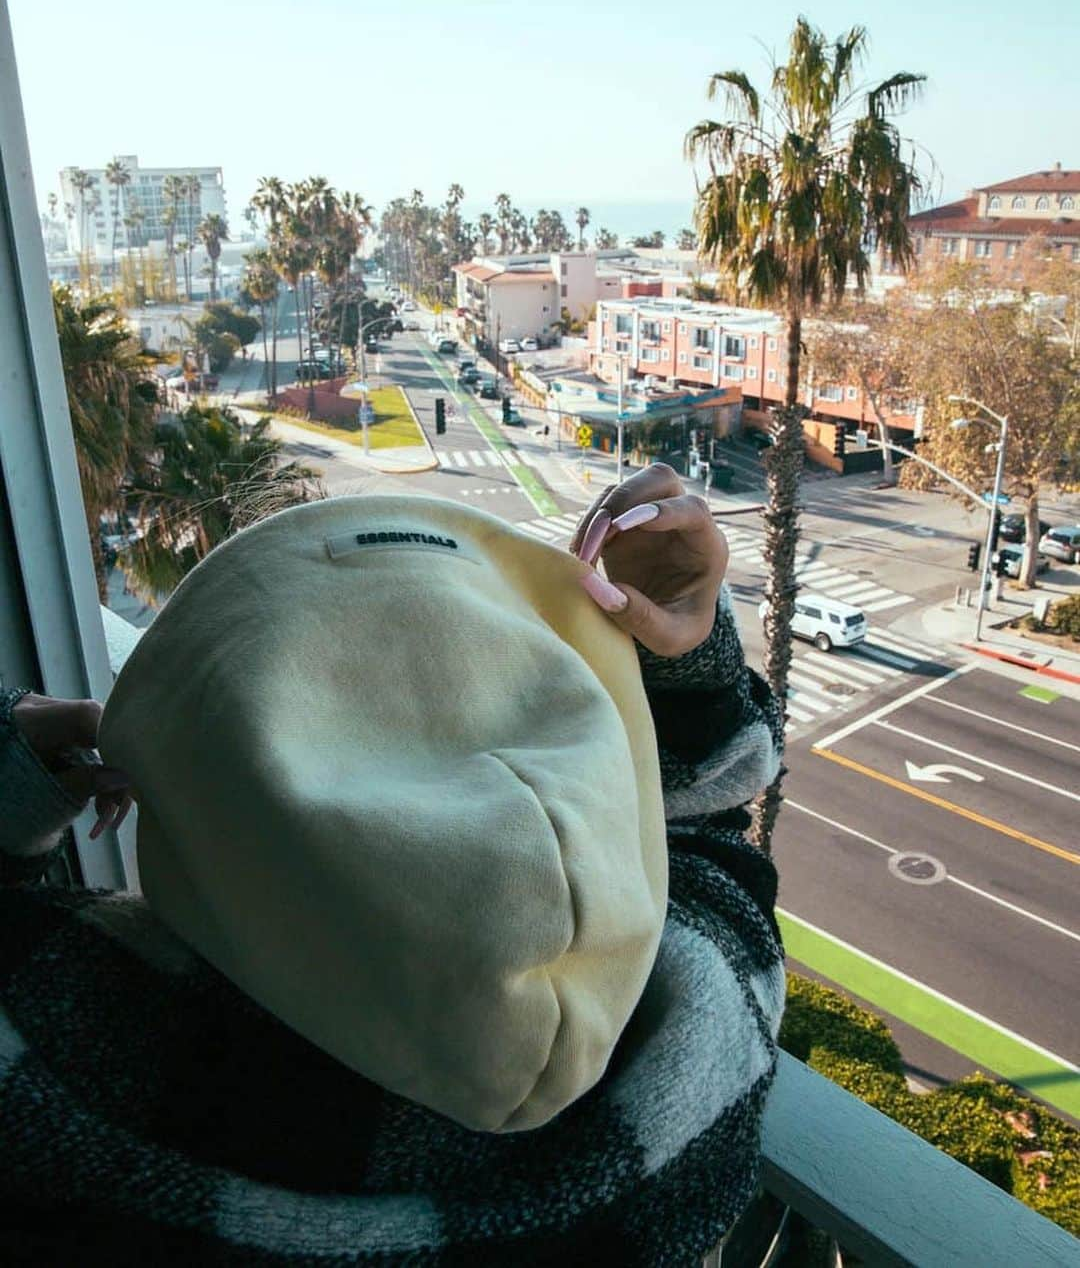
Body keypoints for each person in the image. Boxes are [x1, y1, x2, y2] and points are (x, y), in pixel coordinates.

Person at [0, 464, 785, 1266]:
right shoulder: (702, 1040)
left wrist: (17, 765)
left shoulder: (66, 1039)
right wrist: (682, 668)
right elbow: (708, 834)